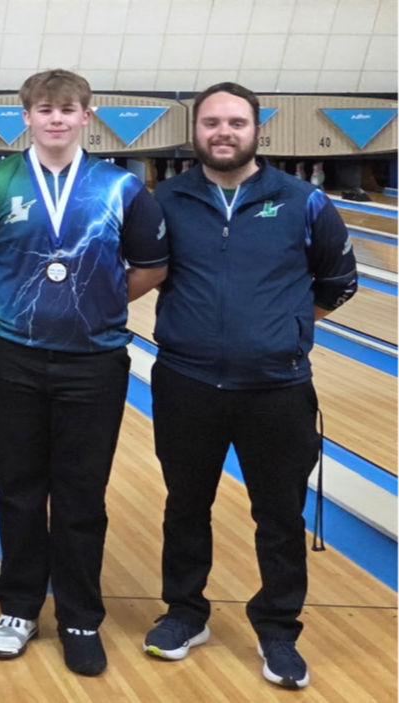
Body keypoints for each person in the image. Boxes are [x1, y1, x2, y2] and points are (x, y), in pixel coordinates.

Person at [144, 82, 357, 690]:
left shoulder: (302, 201)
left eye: (236, 122)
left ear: (256, 129)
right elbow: (148, 269)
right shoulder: (168, 199)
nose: (223, 132)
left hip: (278, 388)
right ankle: (185, 613)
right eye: (211, 122)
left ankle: (278, 629)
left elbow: (338, 283)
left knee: (280, 516)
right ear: (195, 131)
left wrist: (280, 328)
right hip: (186, 383)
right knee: (185, 505)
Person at [0, 69, 167, 676]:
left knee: (80, 493)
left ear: (86, 116)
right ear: (25, 117)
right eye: (44, 109)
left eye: (67, 109)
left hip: (93, 361)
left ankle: (79, 616)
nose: (55, 118)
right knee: (20, 488)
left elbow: (151, 266)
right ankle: (19, 607)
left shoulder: (120, 187)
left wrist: (96, 304)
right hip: (10, 356)